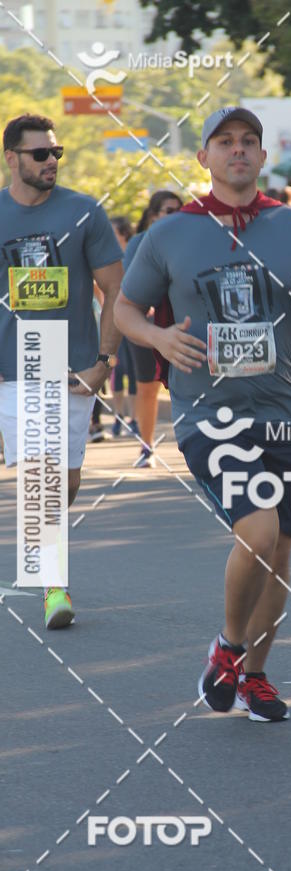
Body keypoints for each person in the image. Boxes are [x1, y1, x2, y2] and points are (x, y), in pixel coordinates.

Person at [114, 107, 291, 722]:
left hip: (285, 413)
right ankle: (228, 645)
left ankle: (255, 676)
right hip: (208, 413)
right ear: (204, 158)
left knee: (279, 554)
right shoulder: (169, 234)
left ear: (262, 157)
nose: (238, 150)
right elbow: (124, 310)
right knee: (259, 530)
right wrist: (158, 340)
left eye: (249, 141)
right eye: (224, 142)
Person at [0, 113, 123, 627]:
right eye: (40, 154)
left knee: (64, 479)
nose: (51, 161)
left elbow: (117, 290)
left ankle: (45, 548)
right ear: (12, 158)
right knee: (41, 476)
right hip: (13, 368)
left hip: (70, 367)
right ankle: (54, 583)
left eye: (57, 153)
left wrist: (104, 364)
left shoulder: (82, 211)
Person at [123, 191, 182, 466]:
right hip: (146, 327)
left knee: (184, 385)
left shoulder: (186, 239)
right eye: (170, 211)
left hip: (181, 325)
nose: (176, 215)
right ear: (153, 215)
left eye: (179, 210)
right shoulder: (138, 243)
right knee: (147, 388)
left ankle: (194, 443)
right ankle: (146, 447)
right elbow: (129, 287)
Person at [109, 216, 138, 437]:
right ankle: (118, 416)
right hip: (113, 320)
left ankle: (135, 418)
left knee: (135, 369)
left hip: (135, 318)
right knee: (116, 369)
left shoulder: (135, 252)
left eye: (113, 231)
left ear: (123, 232)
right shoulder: (108, 257)